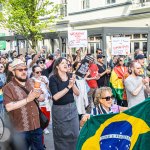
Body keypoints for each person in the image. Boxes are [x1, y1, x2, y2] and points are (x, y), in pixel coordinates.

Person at [3, 59, 45, 150]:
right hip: (20, 130)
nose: (24, 72)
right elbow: (8, 107)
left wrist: (38, 96)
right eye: (20, 70)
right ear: (13, 72)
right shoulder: (7, 87)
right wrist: (28, 99)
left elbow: (42, 98)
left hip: (36, 127)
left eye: (25, 69)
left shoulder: (32, 82)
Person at [49, 57, 80, 150]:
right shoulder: (53, 78)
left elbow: (77, 93)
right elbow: (55, 97)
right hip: (59, 110)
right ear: (57, 66)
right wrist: (68, 86)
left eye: (67, 63)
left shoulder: (71, 76)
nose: (66, 64)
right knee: (61, 136)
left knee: (75, 134)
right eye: (63, 63)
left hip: (72, 108)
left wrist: (73, 84)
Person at [32, 65, 51, 134]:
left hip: (46, 101)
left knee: (47, 115)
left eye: (40, 72)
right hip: (38, 102)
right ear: (33, 73)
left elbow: (49, 89)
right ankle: (42, 128)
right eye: (37, 72)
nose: (39, 74)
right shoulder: (32, 80)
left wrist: (46, 83)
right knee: (41, 117)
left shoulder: (44, 77)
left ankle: (45, 127)